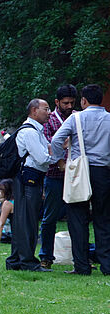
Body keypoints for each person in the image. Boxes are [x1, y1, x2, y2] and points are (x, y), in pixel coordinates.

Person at [51, 84, 110, 275]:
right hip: (103, 172)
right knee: (103, 219)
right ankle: (107, 264)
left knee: (77, 218)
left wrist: (60, 162)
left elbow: (55, 140)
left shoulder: (76, 118)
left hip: (79, 172)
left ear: (83, 101)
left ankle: (82, 265)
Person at [6, 98, 59, 272]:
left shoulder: (37, 130)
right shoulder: (29, 132)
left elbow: (44, 153)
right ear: (34, 111)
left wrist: (48, 153)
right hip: (28, 179)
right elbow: (43, 158)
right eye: (46, 108)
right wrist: (53, 158)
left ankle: (15, 260)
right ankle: (27, 262)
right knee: (27, 221)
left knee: (24, 219)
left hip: (30, 178)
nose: (50, 112)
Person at [39, 84, 77, 269]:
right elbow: (47, 146)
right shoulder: (49, 120)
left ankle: (80, 257)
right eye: (65, 103)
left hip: (75, 175)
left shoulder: (78, 117)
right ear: (57, 102)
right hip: (54, 175)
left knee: (77, 217)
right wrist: (60, 151)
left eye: (72, 103)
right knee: (49, 218)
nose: (69, 106)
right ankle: (46, 256)